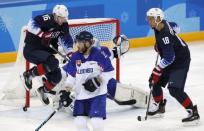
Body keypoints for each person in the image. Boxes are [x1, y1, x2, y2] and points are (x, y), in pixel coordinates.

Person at [146, 8, 200, 123]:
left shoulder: (164, 33)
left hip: (180, 61)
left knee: (174, 89)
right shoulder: (159, 25)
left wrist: (157, 69)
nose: (148, 21)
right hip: (172, 58)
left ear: (158, 19)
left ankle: (193, 112)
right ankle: (160, 106)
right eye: (149, 18)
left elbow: (170, 58)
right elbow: (174, 28)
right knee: (153, 82)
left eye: (151, 19)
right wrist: (160, 46)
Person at [61, 31, 114, 131]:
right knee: (79, 123)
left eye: (82, 43)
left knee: (96, 123)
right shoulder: (75, 57)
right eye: (78, 42)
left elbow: (110, 71)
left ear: (90, 42)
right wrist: (66, 89)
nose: (79, 45)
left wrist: (97, 80)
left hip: (98, 94)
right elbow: (71, 76)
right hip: (81, 95)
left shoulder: (99, 54)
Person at [22, 4, 73, 105]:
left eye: (65, 18)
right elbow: (31, 24)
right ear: (55, 15)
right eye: (61, 18)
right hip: (32, 49)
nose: (63, 20)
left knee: (57, 76)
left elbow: (66, 39)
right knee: (53, 62)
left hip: (44, 52)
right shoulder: (47, 19)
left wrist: (70, 53)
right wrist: (42, 34)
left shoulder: (64, 25)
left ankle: (43, 91)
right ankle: (28, 75)